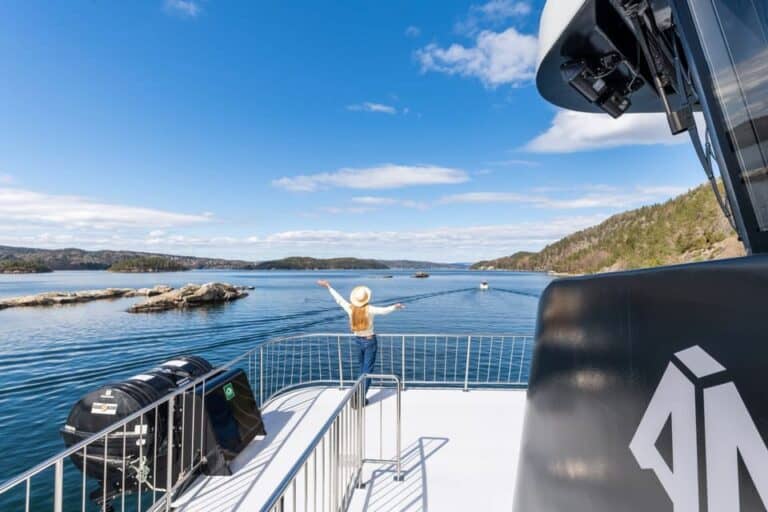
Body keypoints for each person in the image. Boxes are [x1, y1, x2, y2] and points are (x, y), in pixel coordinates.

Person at [317, 280, 404, 405]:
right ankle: (359, 399)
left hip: (358, 341)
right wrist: (396, 307)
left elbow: (339, 299)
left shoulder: (350, 309)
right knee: (367, 371)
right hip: (369, 341)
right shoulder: (370, 309)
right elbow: (384, 311)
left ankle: (357, 394)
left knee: (362, 369)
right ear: (366, 298)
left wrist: (328, 286)